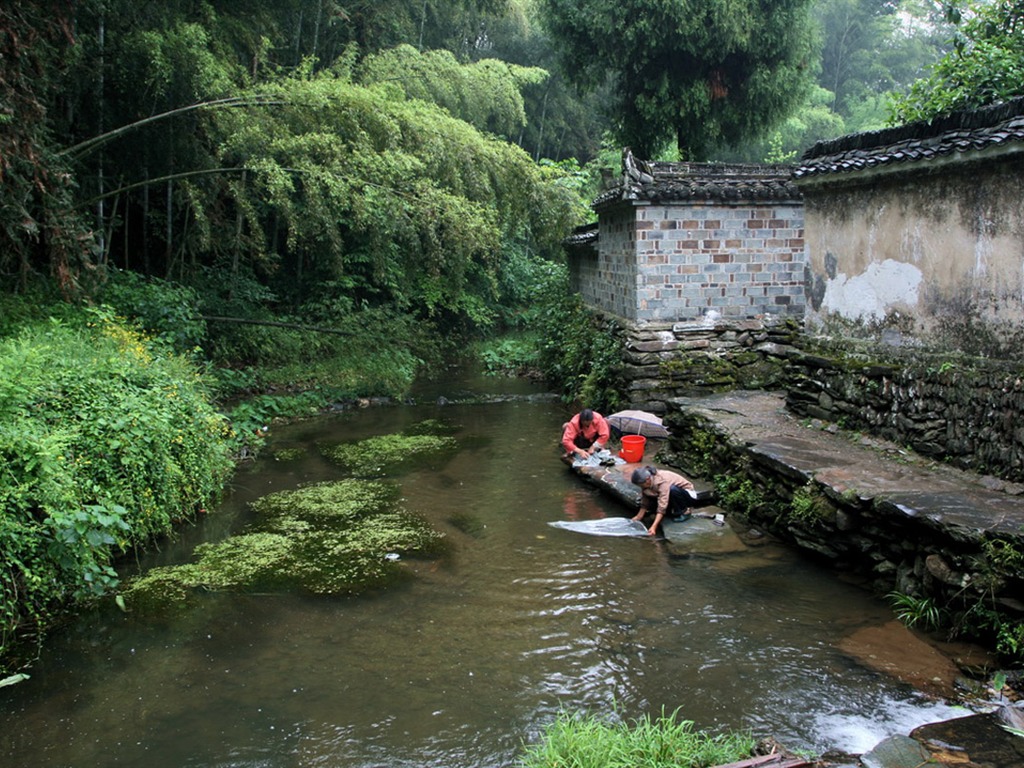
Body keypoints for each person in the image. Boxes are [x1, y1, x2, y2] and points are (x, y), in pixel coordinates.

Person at [630, 465, 696, 536]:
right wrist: (639, 516)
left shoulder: (662, 481)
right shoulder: (647, 483)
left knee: (672, 490)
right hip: (669, 495)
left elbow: (662, 504)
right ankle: (671, 510)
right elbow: (645, 499)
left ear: (647, 479)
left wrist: (654, 527)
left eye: (641, 485)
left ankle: (685, 511)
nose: (641, 487)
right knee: (651, 497)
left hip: (687, 495)